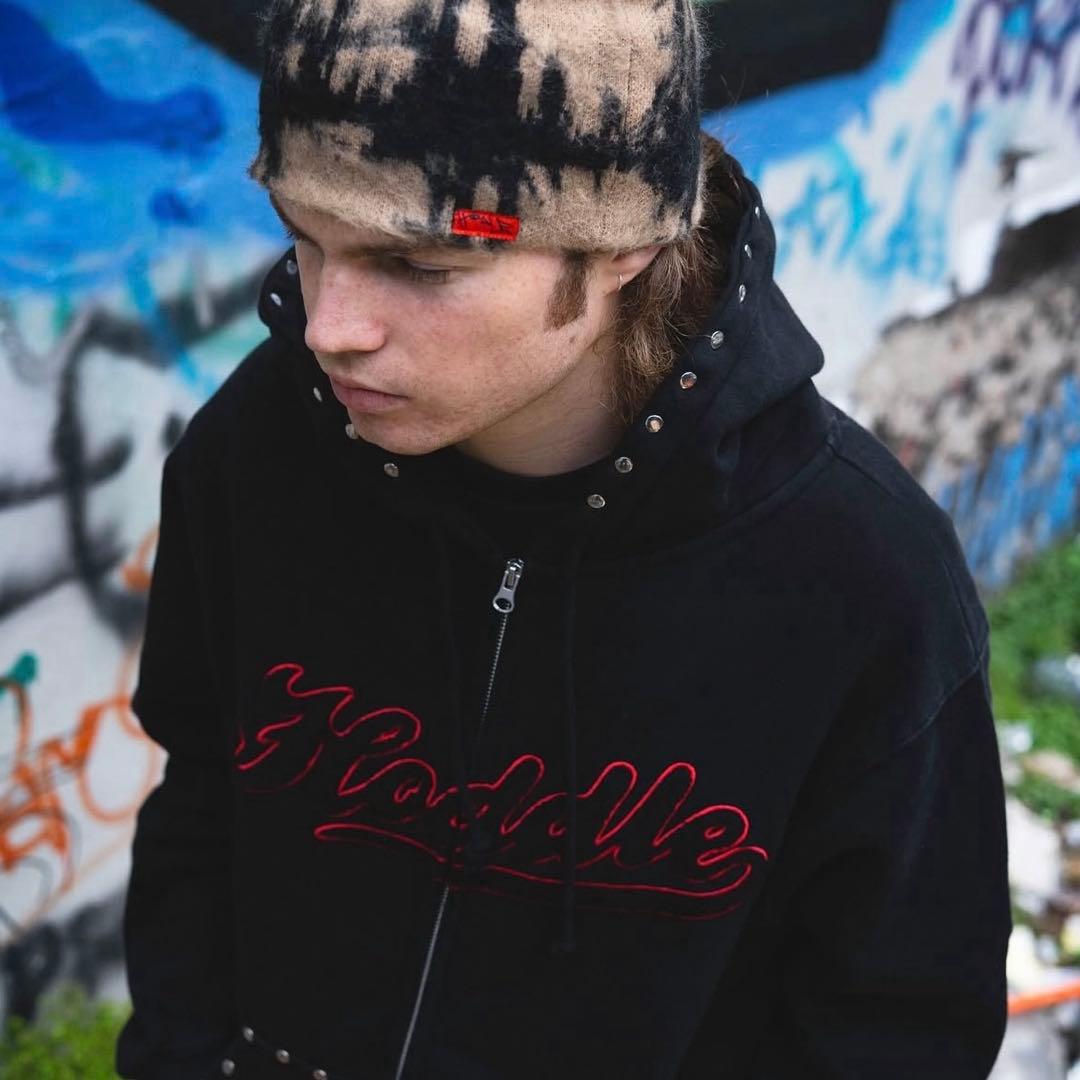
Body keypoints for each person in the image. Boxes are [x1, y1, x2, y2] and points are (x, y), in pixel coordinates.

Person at [116, 1, 1011, 1078]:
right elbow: (201, 807)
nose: (330, 327)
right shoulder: (260, 448)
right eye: (306, 241)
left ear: (625, 243)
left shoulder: (858, 576)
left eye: (423, 266)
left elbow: (901, 1020)